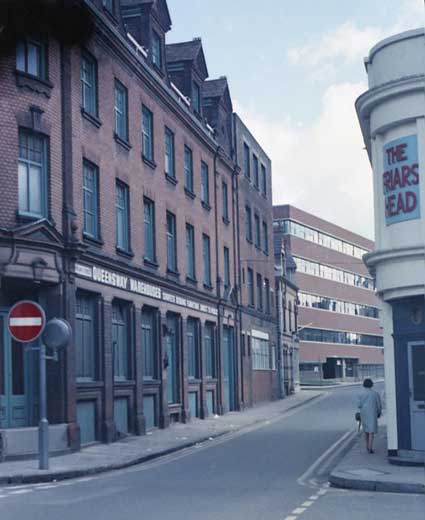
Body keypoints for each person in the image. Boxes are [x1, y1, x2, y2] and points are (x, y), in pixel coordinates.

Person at [357, 378, 382, 453]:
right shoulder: (375, 393)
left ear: (364, 384)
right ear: (371, 384)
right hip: (372, 413)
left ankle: (367, 446)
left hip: (364, 413)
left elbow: (359, 405)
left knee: (366, 430)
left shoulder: (360, 394)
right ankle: (370, 447)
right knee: (371, 431)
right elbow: (379, 405)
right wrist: (379, 412)